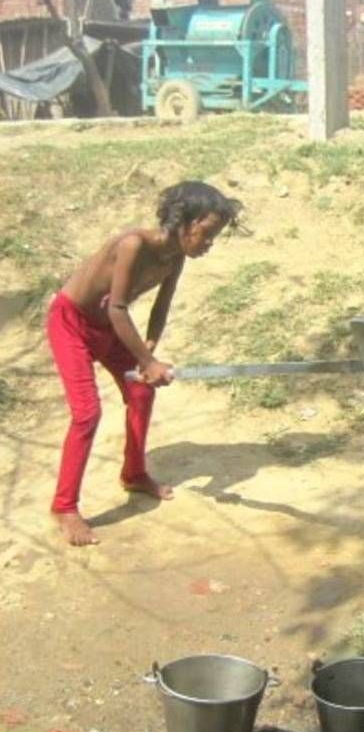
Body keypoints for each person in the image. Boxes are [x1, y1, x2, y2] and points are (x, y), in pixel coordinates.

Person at [47, 181, 242, 547]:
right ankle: (64, 506)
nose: (208, 244)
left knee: (140, 391)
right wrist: (147, 360)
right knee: (86, 414)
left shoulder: (176, 258)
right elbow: (118, 306)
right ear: (187, 223)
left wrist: (149, 349)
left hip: (108, 326)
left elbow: (160, 307)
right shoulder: (133, 245)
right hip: (71, 322)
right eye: (207, 235)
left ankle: (134, 472)